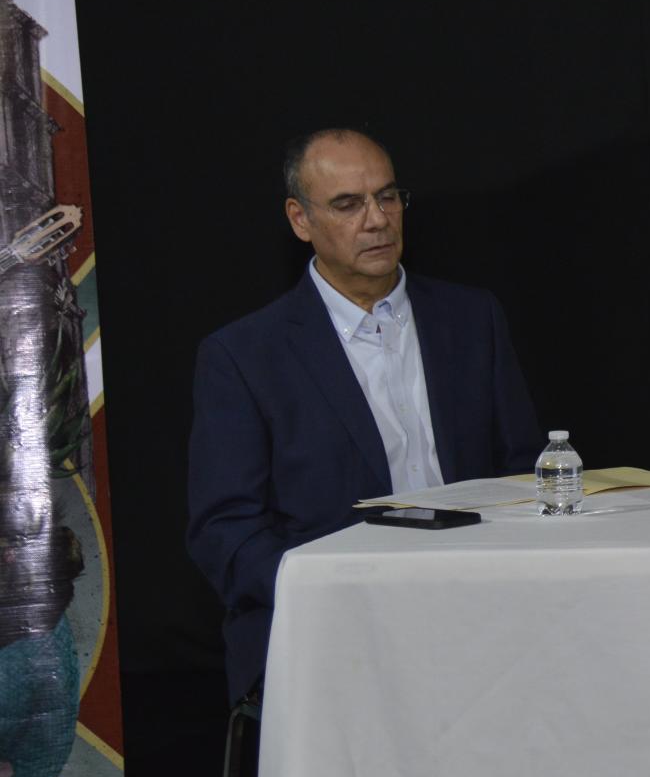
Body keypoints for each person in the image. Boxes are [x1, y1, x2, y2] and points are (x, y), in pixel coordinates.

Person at [187, 130, 541, 703]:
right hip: (331, 625)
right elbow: (226, 536)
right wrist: (346, 586)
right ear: (300, 220)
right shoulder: (244, 356)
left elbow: (525, 473)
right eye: (348, 204)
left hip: (480, 602)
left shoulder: (472, 318)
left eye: (388, 197)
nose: (377, 219)